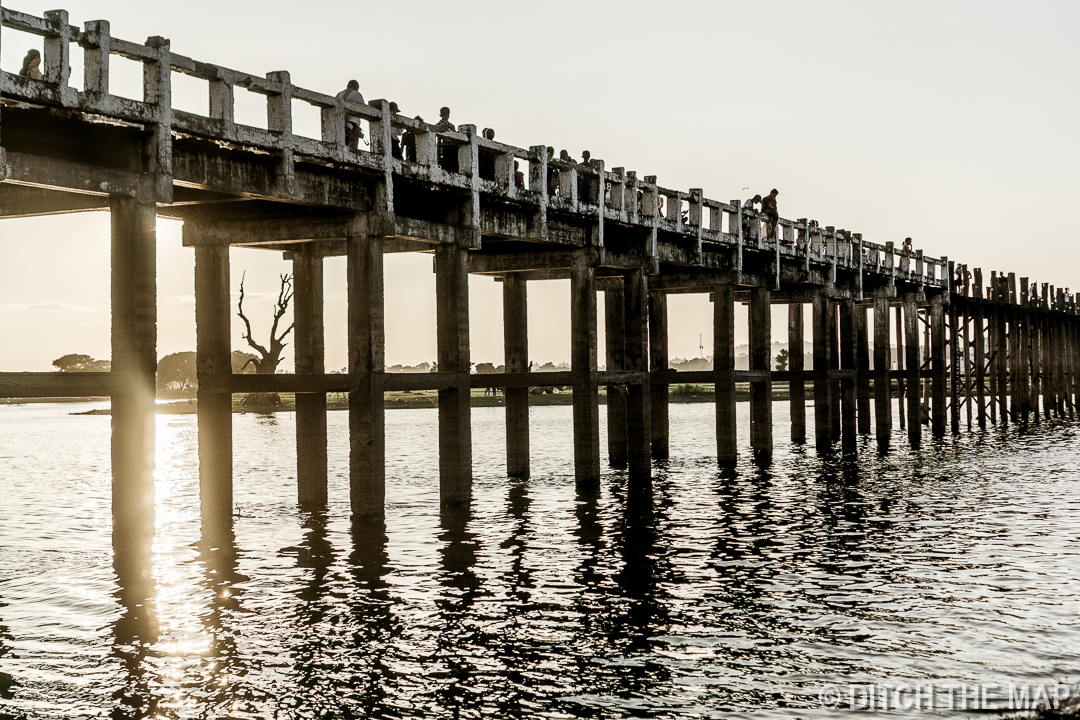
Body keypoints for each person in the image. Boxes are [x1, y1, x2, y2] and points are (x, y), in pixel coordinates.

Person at [336, 80, 365, 149]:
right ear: (356, 87)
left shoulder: (339, 94)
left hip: (339, 125)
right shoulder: (357, 94)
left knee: (341, 147)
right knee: (352, 150)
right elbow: (363, 109)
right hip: (352, 125)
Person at [434, 107, 458, 172]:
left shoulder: (437, 125)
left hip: (442, 150)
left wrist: (437, 155)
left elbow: (438, 142)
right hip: (450, 150)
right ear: (448, 114)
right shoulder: (451, 126)